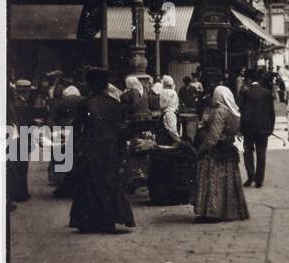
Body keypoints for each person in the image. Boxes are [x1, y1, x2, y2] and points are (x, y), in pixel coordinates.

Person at [68, 68, 136, 234]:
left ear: (90, 85)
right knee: (109, 182)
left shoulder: (84, 104)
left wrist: (76, 148)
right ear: (106, 85)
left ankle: (89, 220)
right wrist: (122, 152)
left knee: (90, 183)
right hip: (110, 148)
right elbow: (122, 131)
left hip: (90, 147)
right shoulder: (115, 104)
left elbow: (76, 129)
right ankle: (108, 220)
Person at [193, 86, 249, 222]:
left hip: (216, 153)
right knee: (227, 184)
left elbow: (214, 136)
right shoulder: (234, 112)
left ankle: (213, 213)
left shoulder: (220, 112)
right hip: (228, 151)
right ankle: (227, 211)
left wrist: (201, 149)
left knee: (213, 183)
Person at [146, 77, 195, 206]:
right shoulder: (170, 114)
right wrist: (180, 142)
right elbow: (173, 132)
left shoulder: (166, 113)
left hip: (163, 147)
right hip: (168, 148)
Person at [238, 70, 274, 188]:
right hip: (263, 128)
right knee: (261, 153)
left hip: (249, 129)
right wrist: (271, 128)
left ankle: (251, 176)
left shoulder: (245, 94)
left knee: (248, 152)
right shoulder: (267, 92)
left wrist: (241, 129)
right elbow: (271, 112)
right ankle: (259, 180)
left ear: (249, 80)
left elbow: (243, 113)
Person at [6, 81, 32, 204]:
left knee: (19, 165)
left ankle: (21, 192)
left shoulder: (16, 102)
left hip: (19, 136)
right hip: (21, 137)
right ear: (26, 92)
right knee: (21, 165)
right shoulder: (20, 104)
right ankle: (21, 193)